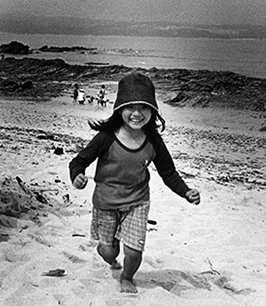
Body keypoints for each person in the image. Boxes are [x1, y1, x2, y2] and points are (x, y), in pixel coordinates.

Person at [69, 73, 201, 293]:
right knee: (109, 251)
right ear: (119, 108)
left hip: (137, 202)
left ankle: (127, 277)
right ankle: (111, 260)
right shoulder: (106, 137)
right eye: (131, 107)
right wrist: (77, 176)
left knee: (133, 251)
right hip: (106, 202)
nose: (137, 114)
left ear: (153, 111)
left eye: (145, 108)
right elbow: (79, 161)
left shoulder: (154, 141)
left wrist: (186, 192)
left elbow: (168, 173)